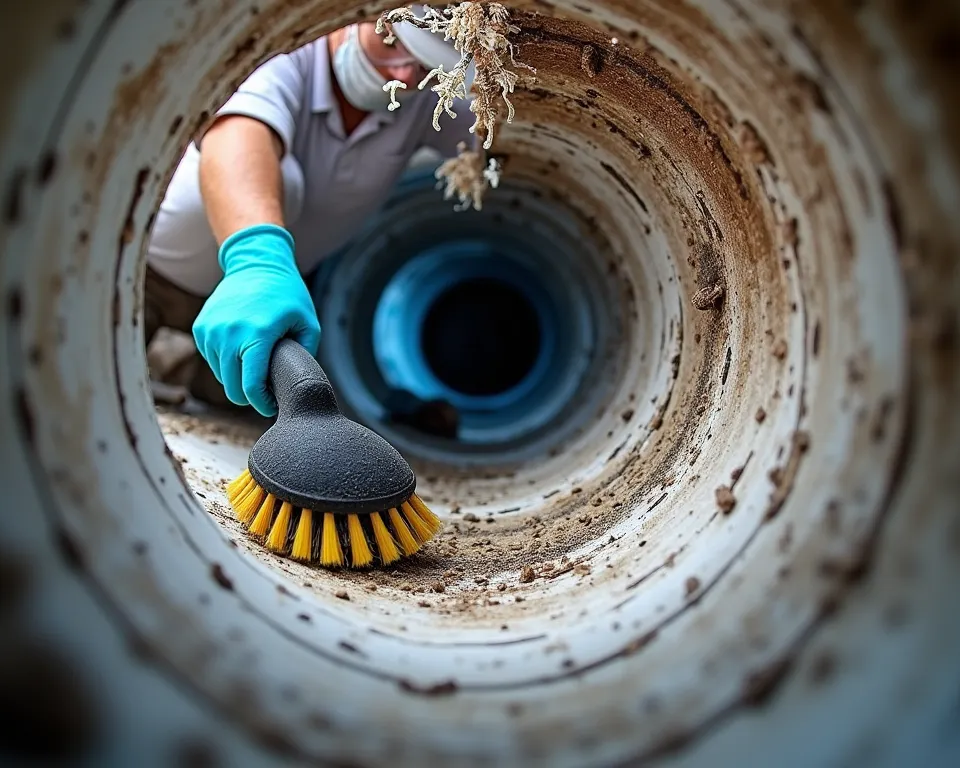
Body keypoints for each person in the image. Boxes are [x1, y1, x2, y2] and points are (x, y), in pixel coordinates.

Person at [144, 7, 474, 419]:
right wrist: (257, 259)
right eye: (391, 42)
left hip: (274, 298)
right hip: (164, 272)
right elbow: (239, 134)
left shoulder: (425, 98)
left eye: (424, 63)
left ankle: (177, 370)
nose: (404, 74)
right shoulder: (290, 53)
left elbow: (510, 134)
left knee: (236, 405)